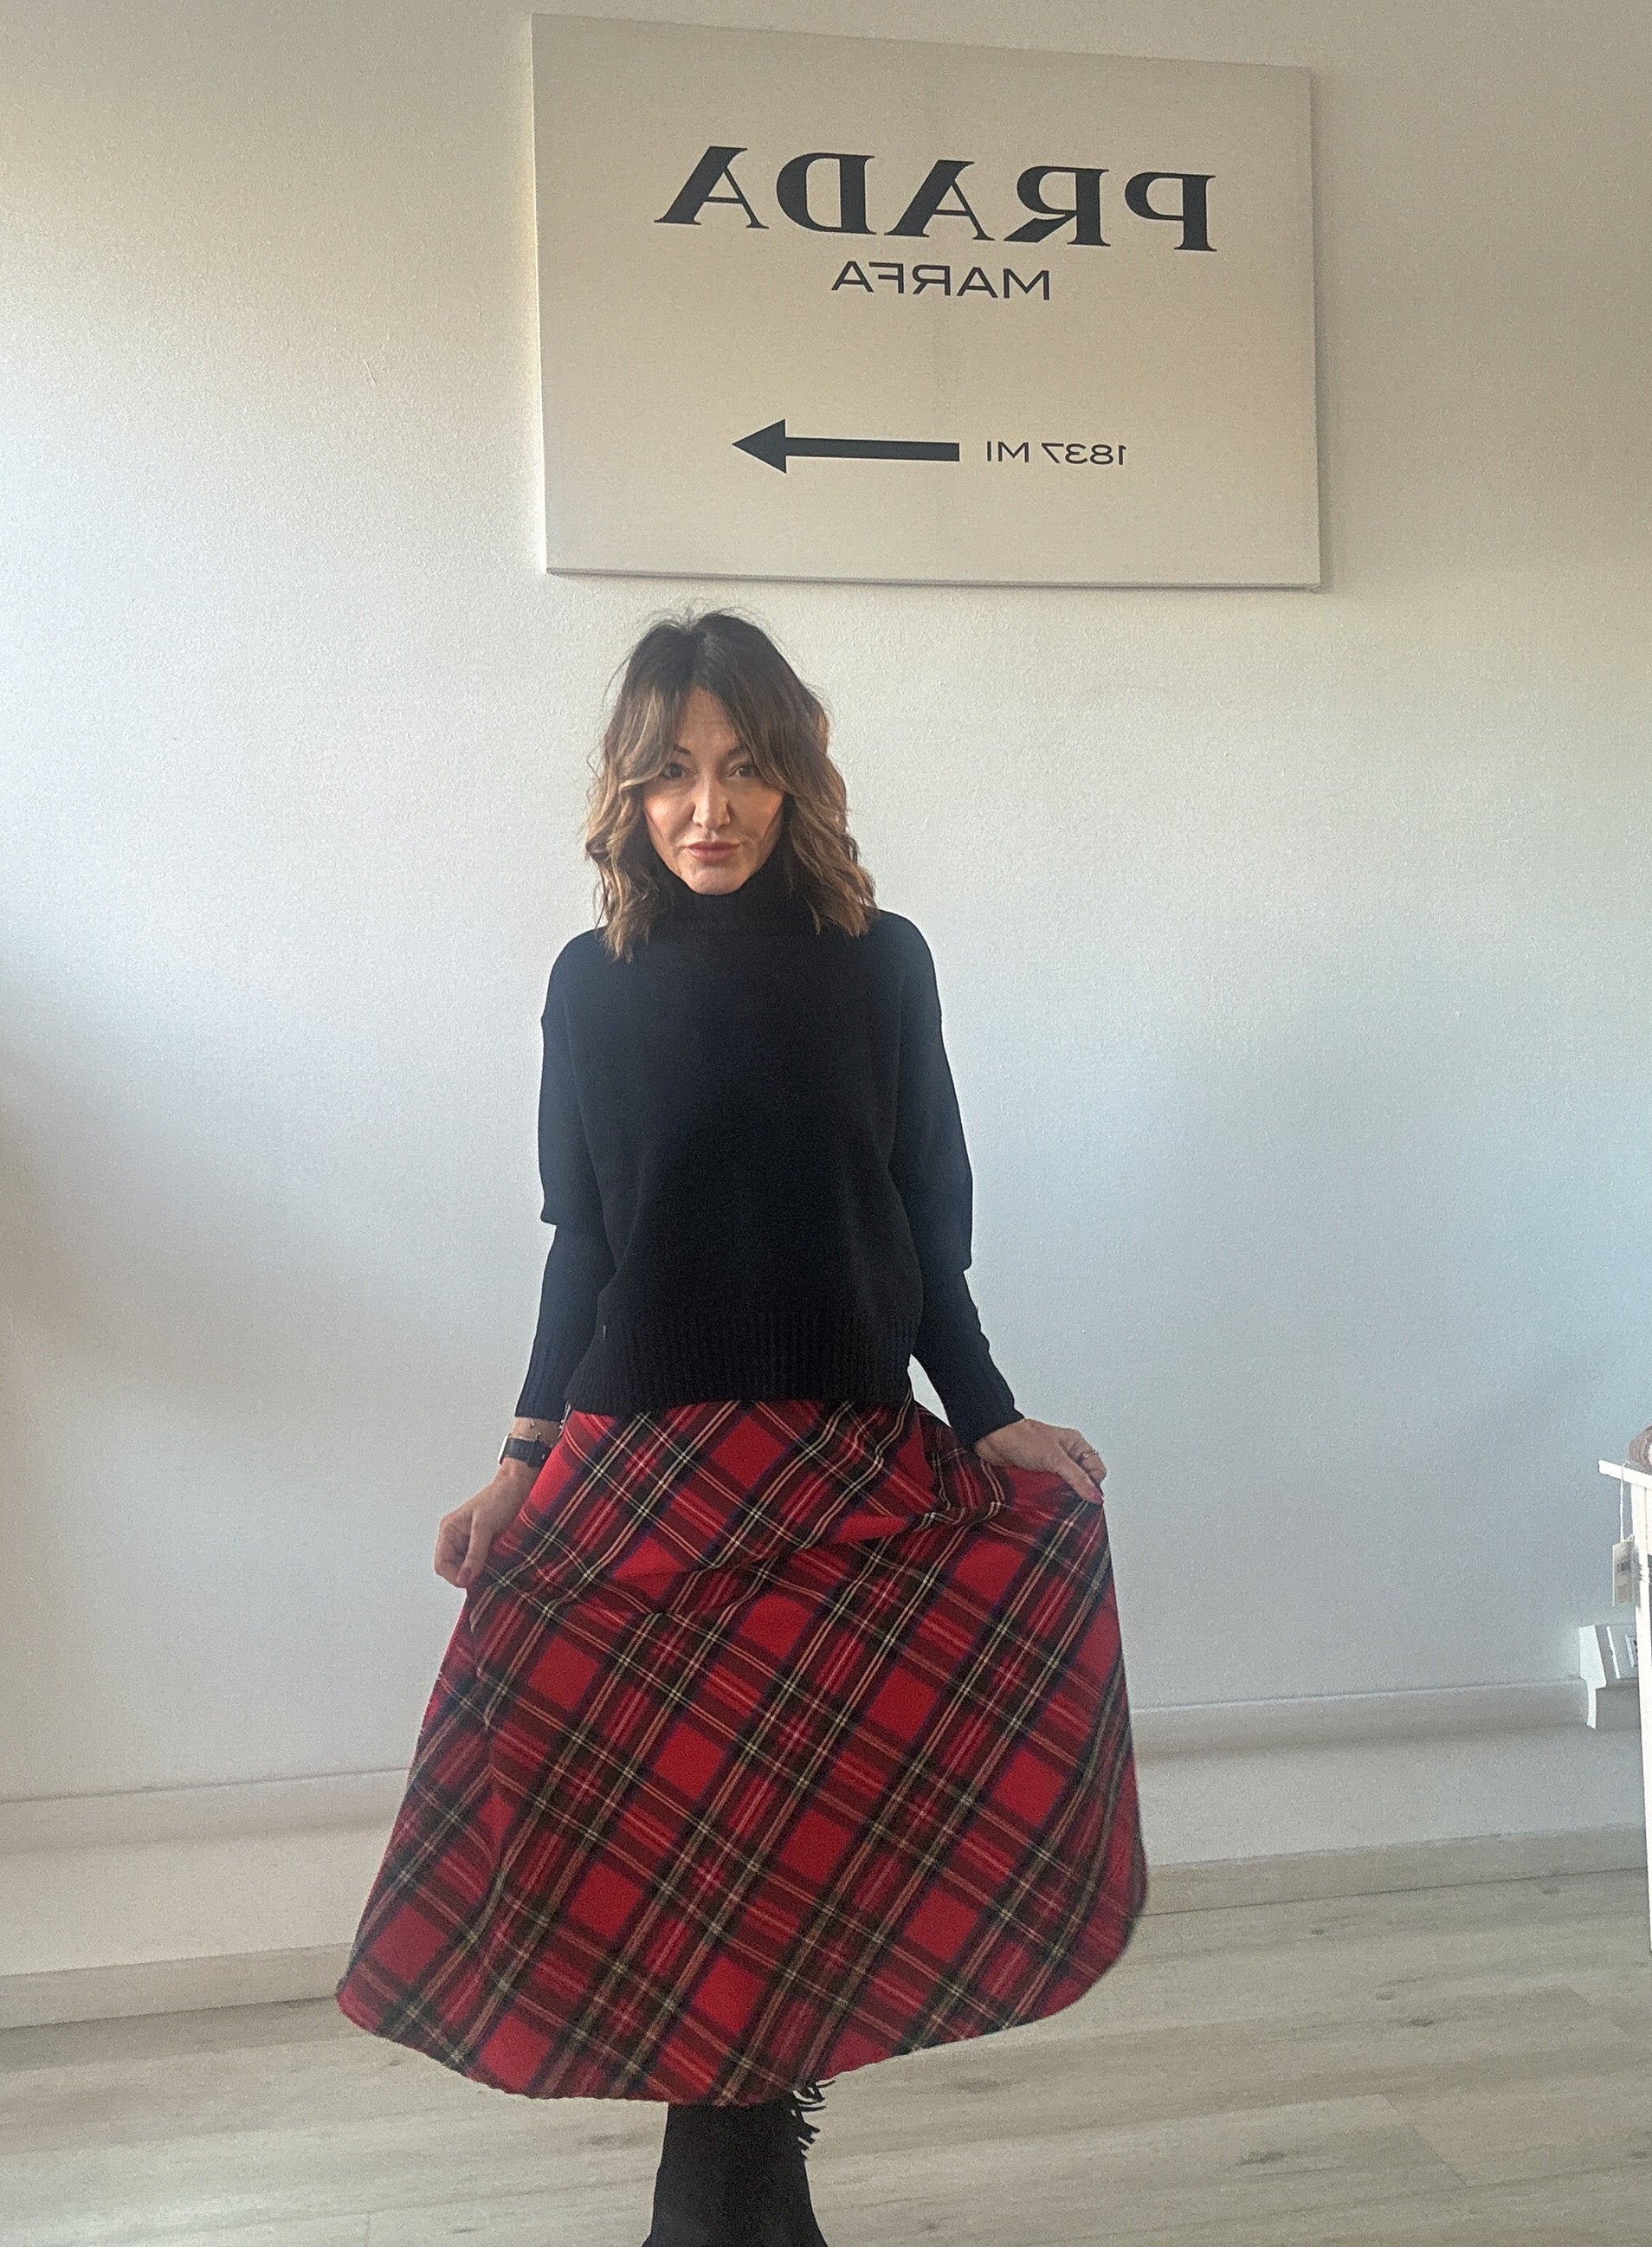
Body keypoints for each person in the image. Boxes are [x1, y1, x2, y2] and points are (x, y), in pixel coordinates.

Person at [335, 610, 1149, 2245]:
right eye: (671, 775)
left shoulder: (881, 961)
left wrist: (986, 1412)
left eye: (742, 768)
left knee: (793, 1854)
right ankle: (735, 2207)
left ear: (796, 779)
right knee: (677, 1850)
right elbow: (585, 1239)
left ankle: (721, 2209)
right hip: (644, 1472)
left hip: (839, 1458)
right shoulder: (593, 982)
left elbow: (920, 1216)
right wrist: (519, 1461)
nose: (706, 808)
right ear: (628, 794)